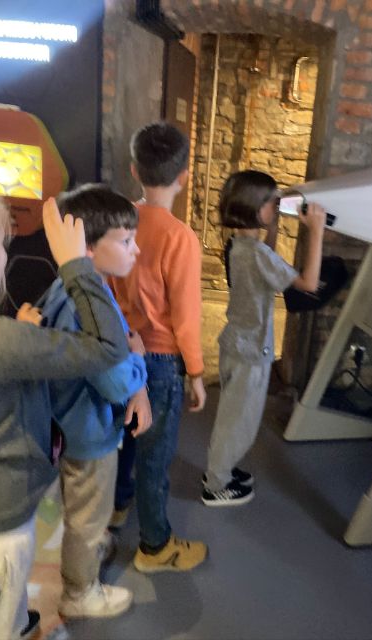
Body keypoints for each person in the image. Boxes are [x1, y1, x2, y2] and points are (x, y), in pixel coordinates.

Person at [0, 196, 130, 640]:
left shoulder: (13, 336)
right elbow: (110, 353)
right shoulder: (8, 339)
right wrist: (76, 267)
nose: (6, 253)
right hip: (7, 515)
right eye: (1, 243)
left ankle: (17, 622)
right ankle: (44, 610)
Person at [37, 184, 152, 618]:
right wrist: (138, 362)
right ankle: (79, 591)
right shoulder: (84, 305)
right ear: (85, 247)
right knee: (87, 513)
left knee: (84, 506)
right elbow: (115, 381)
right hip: (88, 432)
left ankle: (87, 549)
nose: (135, 250)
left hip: (73, 424)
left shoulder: (73, 290)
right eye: (125, 241)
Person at [110, 122, 208, 572]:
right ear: (184, 176)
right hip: (160, 360)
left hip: (118, 349)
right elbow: (186, 317)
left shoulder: (119, 221)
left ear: (135, 170)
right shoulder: (180, 237)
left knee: (121, 437)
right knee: (154, 454)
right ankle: (155, 546)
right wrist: (197, 372)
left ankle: (117, 505)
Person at [202, 170, 326, 506]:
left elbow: (267, 258)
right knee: (238, 423)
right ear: (257, 210)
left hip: (235, 345)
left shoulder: (238, 246)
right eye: (273, 203)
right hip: (251, 352)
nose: (277, 207)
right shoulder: (258, 255)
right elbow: (309, 283)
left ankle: (220, 471)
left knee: (231, 415)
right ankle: (216, 485)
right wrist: (316, 232)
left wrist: (275, 222)